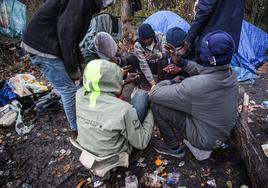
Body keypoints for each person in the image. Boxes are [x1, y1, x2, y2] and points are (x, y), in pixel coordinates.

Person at [21, 0, 115, 138]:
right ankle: (76, 131)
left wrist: (81, 64)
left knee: (73, 85)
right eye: (106, 5)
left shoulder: (85, 5)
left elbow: (73, 40)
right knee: (68, 89)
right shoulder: (80, 2)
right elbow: (66, 34)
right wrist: (72, 69)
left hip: (49, 43)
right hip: (43, 46)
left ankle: (82, 115)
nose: (104, 8)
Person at [150, 31, 239, 161]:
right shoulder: (231, 73)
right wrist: (181, 62)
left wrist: (171, 81)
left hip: (205, 141)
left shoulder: (195, 86)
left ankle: (173, 148)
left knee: (156, 106)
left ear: (205, 56)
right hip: (221, 133)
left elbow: (154, 94)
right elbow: (205, 71)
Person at [75, 59, 154, 177]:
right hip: (114, 158)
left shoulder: (79, 95)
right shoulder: (123, 109)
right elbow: (141, 142)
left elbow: (101, 85)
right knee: (142, 96)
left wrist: (122, 82)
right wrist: (151, 112)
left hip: (90, 153)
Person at [181, 0, 245, 61]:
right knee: (220, 70)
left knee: (204, 70)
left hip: (211, 43)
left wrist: (189, 40)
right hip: (229, 43)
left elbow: (205, 10)